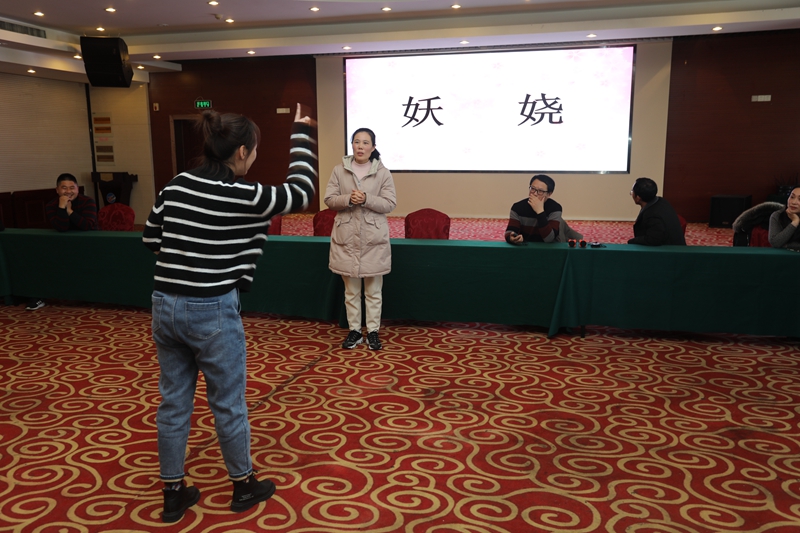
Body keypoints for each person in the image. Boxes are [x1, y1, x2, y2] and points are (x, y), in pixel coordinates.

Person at [142, 104, 317, 523]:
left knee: (173, 403)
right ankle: (243, 485)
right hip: (211, 309)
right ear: (241, 152)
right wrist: (300, 131)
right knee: (228, 403)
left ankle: (173, 493)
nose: (253, 157)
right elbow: (301, 190)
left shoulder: (176, 185)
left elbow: (150, 239)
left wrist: (190, 255)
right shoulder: (244, 196)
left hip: (164, 305)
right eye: (254, 150)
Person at [324, 128, 396, 351]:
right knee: (351, 292)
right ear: (352, 145)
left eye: (366, 143)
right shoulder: (339, 170)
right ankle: (354, 331)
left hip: (373, 240)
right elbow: (329, 199)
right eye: (357, 142)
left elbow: (390, 203)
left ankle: (373, 331)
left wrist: (366, 199)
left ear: (373, 147)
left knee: (373, 292)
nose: (361, 146)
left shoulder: (383, 173)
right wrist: (348, 199)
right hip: (347, 238)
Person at [26, 173, 99, 310]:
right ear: (57, 190)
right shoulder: (51, 205)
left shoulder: (88, 201)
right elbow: (62, 228)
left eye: (72, 187)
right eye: (64, 188)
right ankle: (39, 296)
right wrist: (61, 208)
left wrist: (70, 211)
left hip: (88, 244)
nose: (68, 191)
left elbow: (87, 226)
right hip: (63, 244)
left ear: (77, 188)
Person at [505, 174, 573, 244]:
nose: (535, 193)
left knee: (575, 239)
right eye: (533, 189)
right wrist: (512, 238)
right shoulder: (517, 207)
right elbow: (510, 231)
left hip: (551, 245)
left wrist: (540, 212)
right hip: (526, 245)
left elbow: (549, 239)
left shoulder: (555, 208)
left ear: (549, 194)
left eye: (540, 191)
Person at [627, 177, 686, 246]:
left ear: (638, 198)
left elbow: (653, 240)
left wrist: (632, 241)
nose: (631, 193)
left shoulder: (653, 215)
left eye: (632, 191)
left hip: (670, 250)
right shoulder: (661, 201)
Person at [768, 185, 800, 250]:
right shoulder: (777, 215)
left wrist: (786, 245)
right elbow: (775, 243)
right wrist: (795, 222)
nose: (793, 202)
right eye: (792, 197)